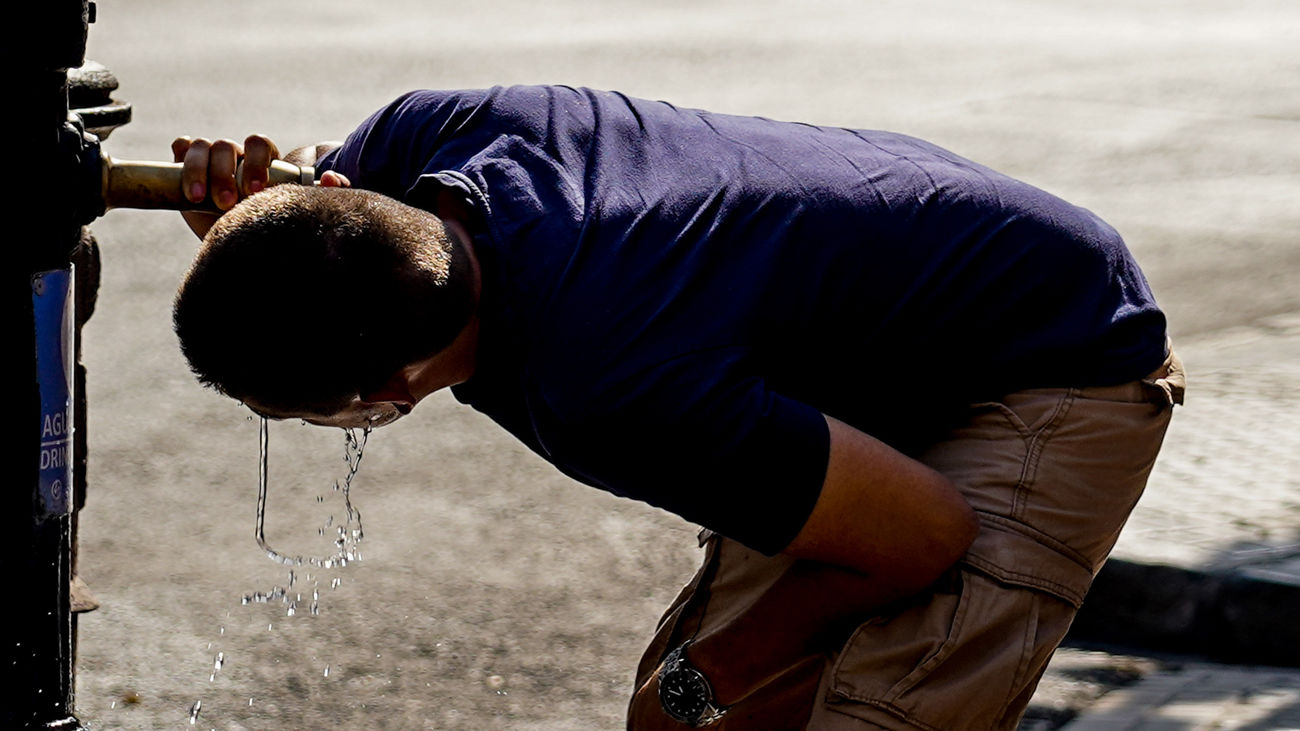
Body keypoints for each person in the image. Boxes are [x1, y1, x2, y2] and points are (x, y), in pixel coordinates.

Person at [171, 85, 1183, 730]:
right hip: (877, 344)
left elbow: (924, 531)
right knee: (687, 725)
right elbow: (322, 226)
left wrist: (715, 670)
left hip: (1057, 355)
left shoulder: (606, 385)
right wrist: (250, 227)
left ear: (390, 391)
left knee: (834, 714)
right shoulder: (417, 144)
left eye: (331, 416)